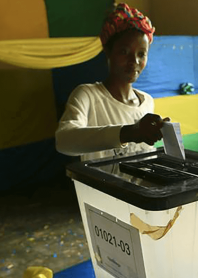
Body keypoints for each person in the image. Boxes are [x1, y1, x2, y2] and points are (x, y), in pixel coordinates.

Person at [55, 3, 169, 161]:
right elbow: (63, 141)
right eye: (124, 52)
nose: (134, 61)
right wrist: (129, 132)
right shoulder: (88, 95)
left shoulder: (147, 101)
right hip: (101, 186)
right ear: (108, 51)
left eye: (141, 54)